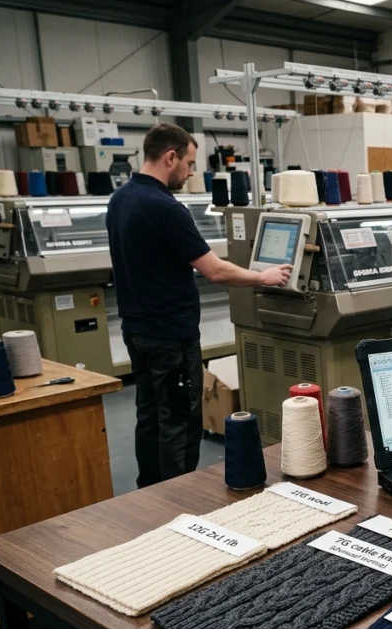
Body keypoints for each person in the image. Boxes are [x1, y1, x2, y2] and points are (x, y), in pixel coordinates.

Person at [107, 123, 291, 488]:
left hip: (137, 332)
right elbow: (215, 270)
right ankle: (179, 499)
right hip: (170, 337)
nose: (191, 172)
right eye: (189, 163)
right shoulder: (165, 208)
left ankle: (149, 496)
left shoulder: (120, 199)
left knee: (150, 416)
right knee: (179, 421)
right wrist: (263, 277)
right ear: (170, 157)